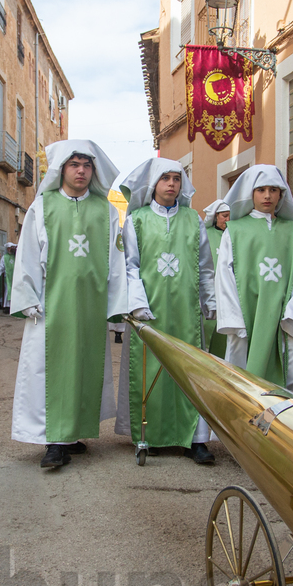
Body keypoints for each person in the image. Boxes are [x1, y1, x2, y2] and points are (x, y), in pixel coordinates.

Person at [9, 140, 130, 468]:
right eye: (74, 164)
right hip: (51, 306)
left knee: (83, 367)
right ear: (62, 168)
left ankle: (71, 432)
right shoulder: (42, 206)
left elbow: (115, 261)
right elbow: (28, 257)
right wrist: (28, 297)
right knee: (50, 370)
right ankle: (54, 442)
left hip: (91, 306)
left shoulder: (104, 210)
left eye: (86, 165)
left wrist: (118, 305)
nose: (81, 170)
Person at [115, 158, 216, 464]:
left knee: (190, 369)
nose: (172, 183)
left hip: (186, 313)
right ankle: (150, 436)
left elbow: (204, 267)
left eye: (177, 178)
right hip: (150, 311)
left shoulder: (193, 219)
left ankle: (196, 440)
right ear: (153, 185)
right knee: (151, 370)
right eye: (166, 178)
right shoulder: (138, 220)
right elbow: (130, 266)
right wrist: (138, 304)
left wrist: (209, 302)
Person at [215, 165, 293, 396]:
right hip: (247, 317)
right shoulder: (235, 232)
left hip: (283, 319)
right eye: (260, 189)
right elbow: (224, 277)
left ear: (281, 194)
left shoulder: (292, 232)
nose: (267, 196)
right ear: (250, 193)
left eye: (273, 190)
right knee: (241, 377)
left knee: (292, 372)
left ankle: (285, 422)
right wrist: (234, 317)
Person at [201, 199, 231, 359]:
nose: (228, 220)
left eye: (230, 216)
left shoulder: (233, 235)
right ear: (215, 217)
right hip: (211, 290)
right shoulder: (206, 234)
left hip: (229, 292)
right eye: (224, 216)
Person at [2, 243, 16, 313]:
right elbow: (2, 266)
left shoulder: (15, 256)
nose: (10, 249)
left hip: (15, 276)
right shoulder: (4, 257)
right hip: (7, 277)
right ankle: (7, 306)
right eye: (9, 248)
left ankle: (13, 306)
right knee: (8, 291)